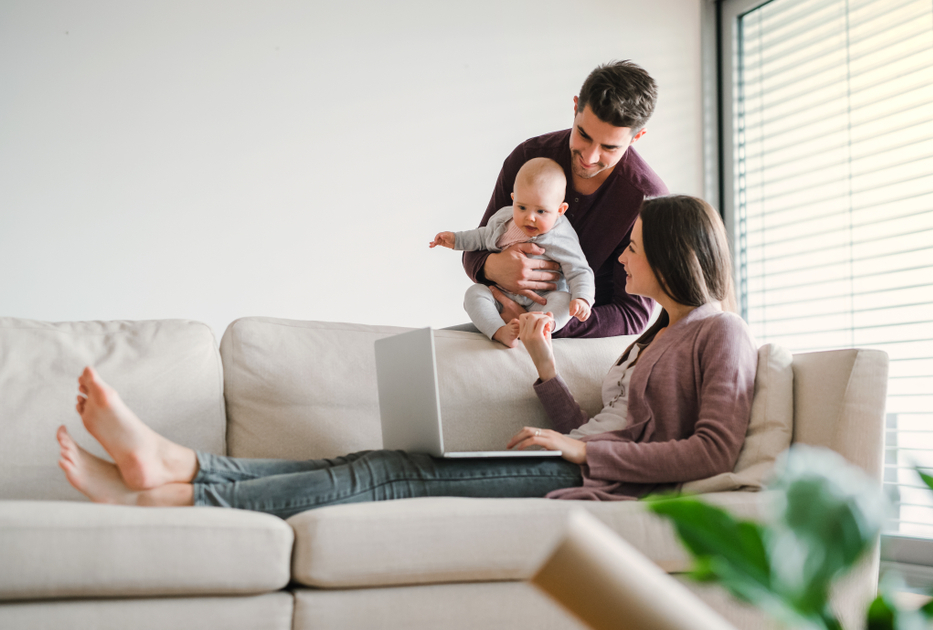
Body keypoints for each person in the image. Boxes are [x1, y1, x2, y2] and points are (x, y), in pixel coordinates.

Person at [56, 195, 757, 517]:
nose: (621, 253)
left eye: (635, 244)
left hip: (601, 485)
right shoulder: (654, 335)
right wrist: (546, 371)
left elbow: (713, 450)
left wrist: (581, 456)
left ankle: (176, 488)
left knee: (390, 478)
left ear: (672, 254)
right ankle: (180, 469)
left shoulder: (720, 333)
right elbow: (594, 427)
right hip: (566, 457)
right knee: (369, 463)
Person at [464, 60, 669, 339]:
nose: (589, 157)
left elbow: (633, 315)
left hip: (580, 336)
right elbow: (475, 249)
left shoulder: (647, 200)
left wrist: (546, 323)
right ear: (575, 107)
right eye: (583, 135)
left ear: (637, 137)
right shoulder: (528, 158)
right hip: (502, 319)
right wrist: (492, 267)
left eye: (609, 147)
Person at [431, 157, 595, 348]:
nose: (530, 217)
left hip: (541, 301)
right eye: (522, 207)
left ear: (560, 210)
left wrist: (582, 298)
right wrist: (456, 239)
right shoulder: (503, 219)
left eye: (541, 211)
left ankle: (544, 325)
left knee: (564, 299)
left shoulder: (561, 234)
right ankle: (499, 331)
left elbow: (579, 269)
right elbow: (483, 236)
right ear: (513, 200)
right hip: (501, 296)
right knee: (474, 294)